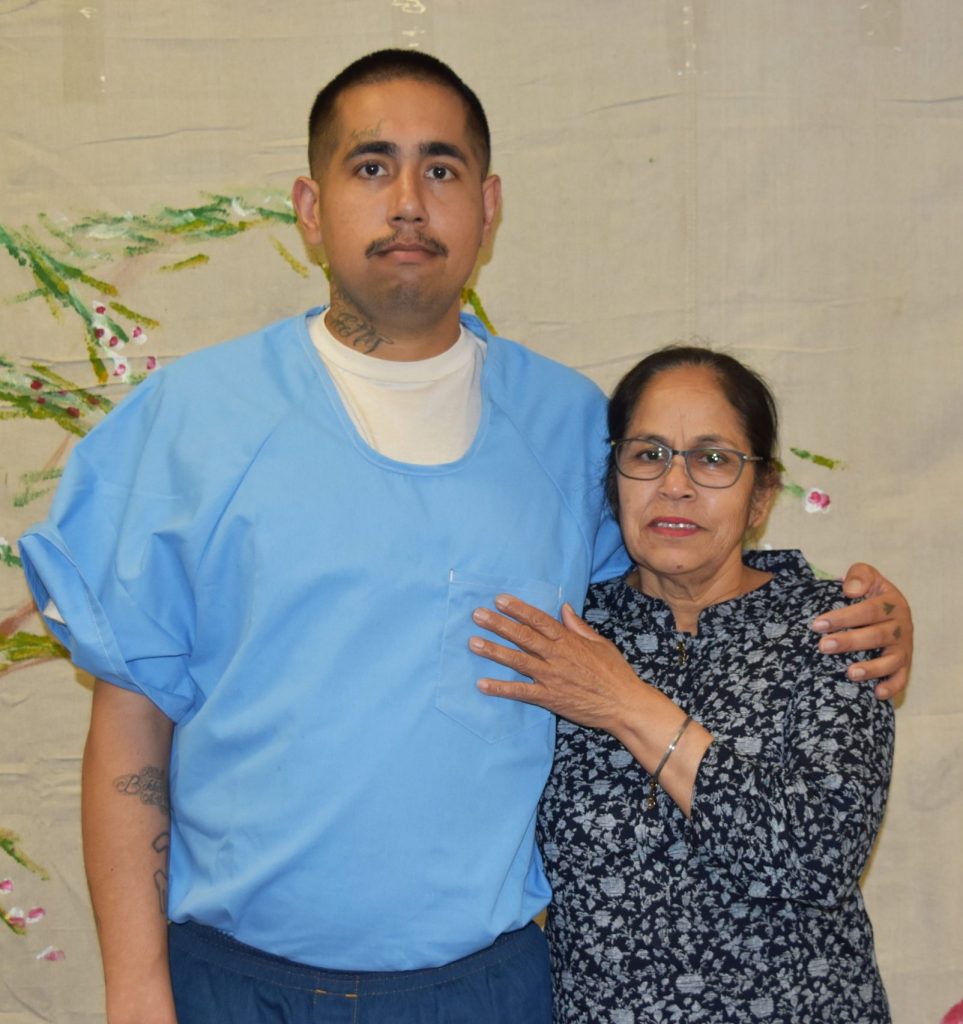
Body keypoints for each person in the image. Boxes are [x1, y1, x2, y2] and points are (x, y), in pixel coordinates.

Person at [17, 51, 908, 1024]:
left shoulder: (569, 430)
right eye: (370, 166)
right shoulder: (193, 420)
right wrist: (138, 991)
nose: (407, 201)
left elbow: (693, 572)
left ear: (487, 208)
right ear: (310, 209)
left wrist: (850, 611)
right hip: (236, 983)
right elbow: (130, 727)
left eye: (439, 170)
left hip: (488, 990)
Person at [471, 346, 894, 1022]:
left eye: (713, 458)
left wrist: (624, 703)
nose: (675, 485)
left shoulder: (833, 630)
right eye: (647, 455)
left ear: (761, 493)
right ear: (612, 482)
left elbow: (814, 859)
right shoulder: (563, 634)